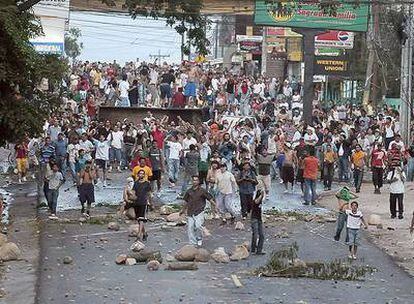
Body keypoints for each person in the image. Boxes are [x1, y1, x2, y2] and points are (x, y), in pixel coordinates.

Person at [180, 176, 217, 247]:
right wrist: (183, 210)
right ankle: (192, 243)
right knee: (190, 228)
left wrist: (215, 206)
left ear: (198, 182)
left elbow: (210, 199)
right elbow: (186, 202)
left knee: (198, 226)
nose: (194, 182)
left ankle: (199, 238)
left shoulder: (202, 191)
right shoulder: (189, 191)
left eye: (196, 180)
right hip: (190, 211)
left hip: (199, 211)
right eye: (193, 180)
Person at [130, 169, 152, 241]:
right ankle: (145, 233)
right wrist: (132, 196)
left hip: (143, 202)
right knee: (139, 220)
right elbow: (133, 192)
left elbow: (149, 194)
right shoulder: (136, 183)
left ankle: (139, 235)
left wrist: (150, 203)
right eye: (140, 174)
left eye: (143, 174)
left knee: (141, 218)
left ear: (144, 175)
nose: (141, 175)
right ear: (138, 175)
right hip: (136, 202)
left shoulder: (147, 183)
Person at [250, 183, 265, 255]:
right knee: (255, 234)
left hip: (259, 218)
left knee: (261, 235)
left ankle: (259, 250)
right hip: (254, 218)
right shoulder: (255, 198)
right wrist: (261, 195)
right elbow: (256, 202)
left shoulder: (261, 198)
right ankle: (253, 249)